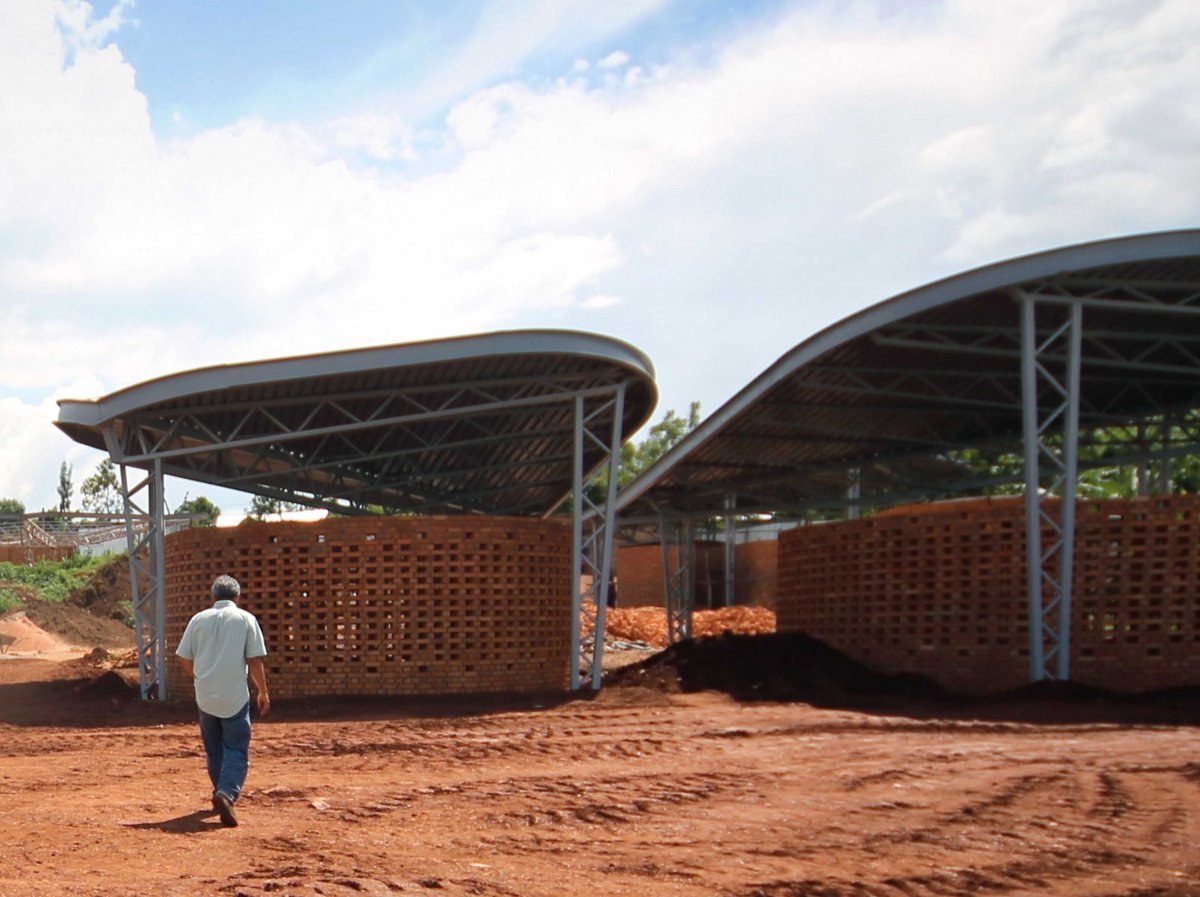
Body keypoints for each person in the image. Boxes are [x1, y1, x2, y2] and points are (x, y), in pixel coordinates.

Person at [176, 575, 270, 828]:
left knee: (214, 748)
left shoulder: (198, 619)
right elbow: (254, 660)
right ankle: (226, 793)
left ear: (213, 596)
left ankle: (220, 789)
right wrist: (263, 691)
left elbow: (184, 657)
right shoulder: (245, 619)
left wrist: (198, 677)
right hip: (235, 695)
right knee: (236, 747)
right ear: (237, 597)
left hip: (205, 696)